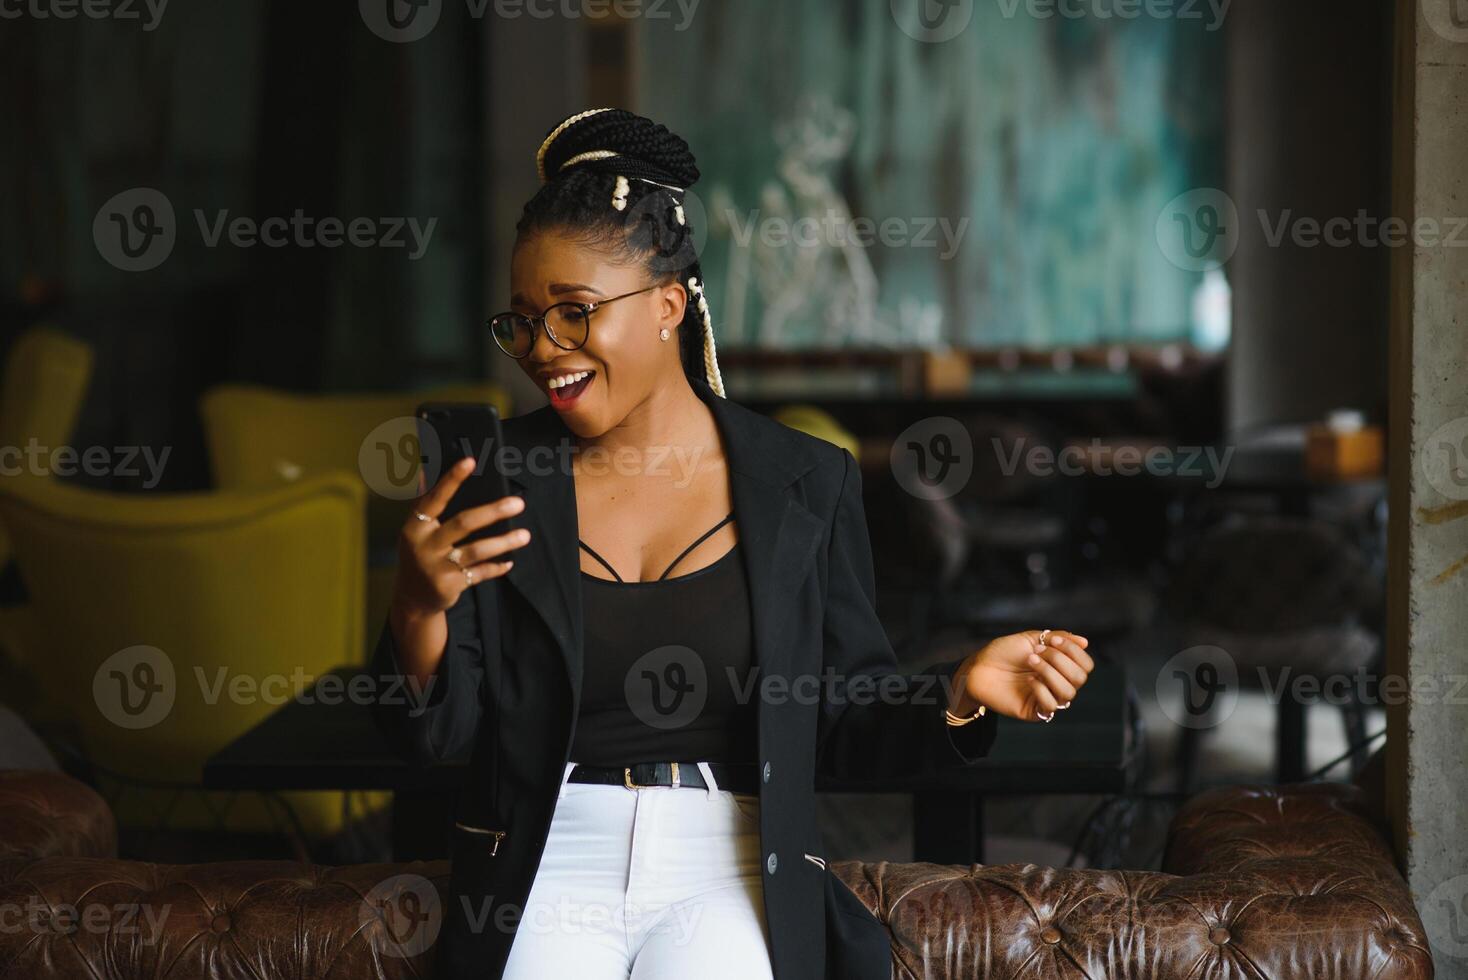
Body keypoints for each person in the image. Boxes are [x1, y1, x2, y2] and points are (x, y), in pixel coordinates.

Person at [372, 107, 1094, 980]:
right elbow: (434, 741)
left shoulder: (804, 483)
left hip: (729, 865)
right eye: (523, 321)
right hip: (541, 863)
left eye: (574, 314)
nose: (543, 350)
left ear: (670, 305)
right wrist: (417, 605)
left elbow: (836, 721)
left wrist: (960, 694)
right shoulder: (493, 478)